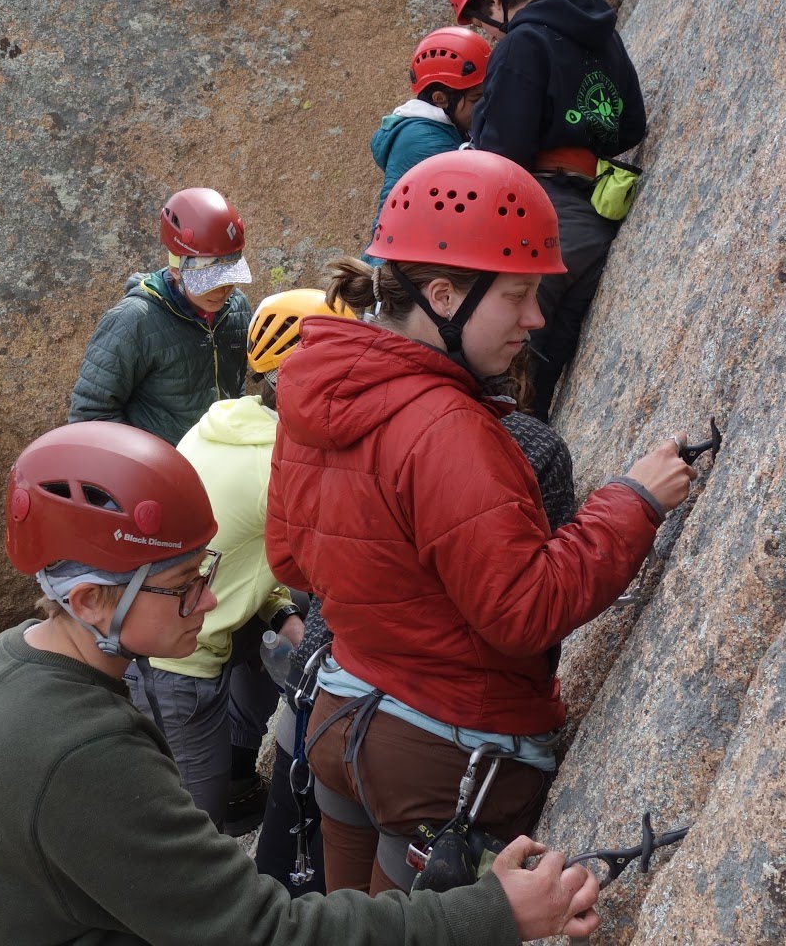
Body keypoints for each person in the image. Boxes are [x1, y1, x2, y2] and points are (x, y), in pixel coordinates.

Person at [0, 420, 604, 945]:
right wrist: (493, 913)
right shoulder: (80, 753)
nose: (209, 603)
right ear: (94, 600)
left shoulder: (16, 659)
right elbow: (261, 933)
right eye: (184, 587)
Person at [267, 150, 696, 896]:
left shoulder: (317, 388)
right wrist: (635, 499)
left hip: (341, 721)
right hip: (445, 759)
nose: (534, 321)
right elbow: (522, 610)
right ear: (442, 295)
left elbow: (292, 560)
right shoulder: (448, 428)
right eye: (518, 297)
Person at [127, 290, 348, 833]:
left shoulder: (227, 421)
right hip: (181, 666)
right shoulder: (280, 467)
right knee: (197, 827)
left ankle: (238, 761)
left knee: (277, 625)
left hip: (150, 634)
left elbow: (236, 552)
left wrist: (279, 615)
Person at [447, 0, 649, 417]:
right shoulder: (597, 31)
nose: (487, 33)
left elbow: (502, 152)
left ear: (494, 1)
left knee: (511, 368)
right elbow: (632, 123)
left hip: (543, 214)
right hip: (596, 216)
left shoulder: (521, 44)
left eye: (481, 19)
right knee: (553, 359)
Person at [69, 188, 256, 445]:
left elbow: (234, 390)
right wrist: (149, 466)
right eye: (209, 279)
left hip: (218, 468)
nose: (222, 290)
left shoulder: (237, 308)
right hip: (159, 474)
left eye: (229, 275)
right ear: (176, 268)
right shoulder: (134, 321)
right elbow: (90, 415)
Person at [368, 26, 491, 261]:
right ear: (440, 99)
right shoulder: (420, 139)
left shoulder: (445, 130)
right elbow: (477, 181)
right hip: (396, 267)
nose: (484, 107)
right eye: (477, 99)